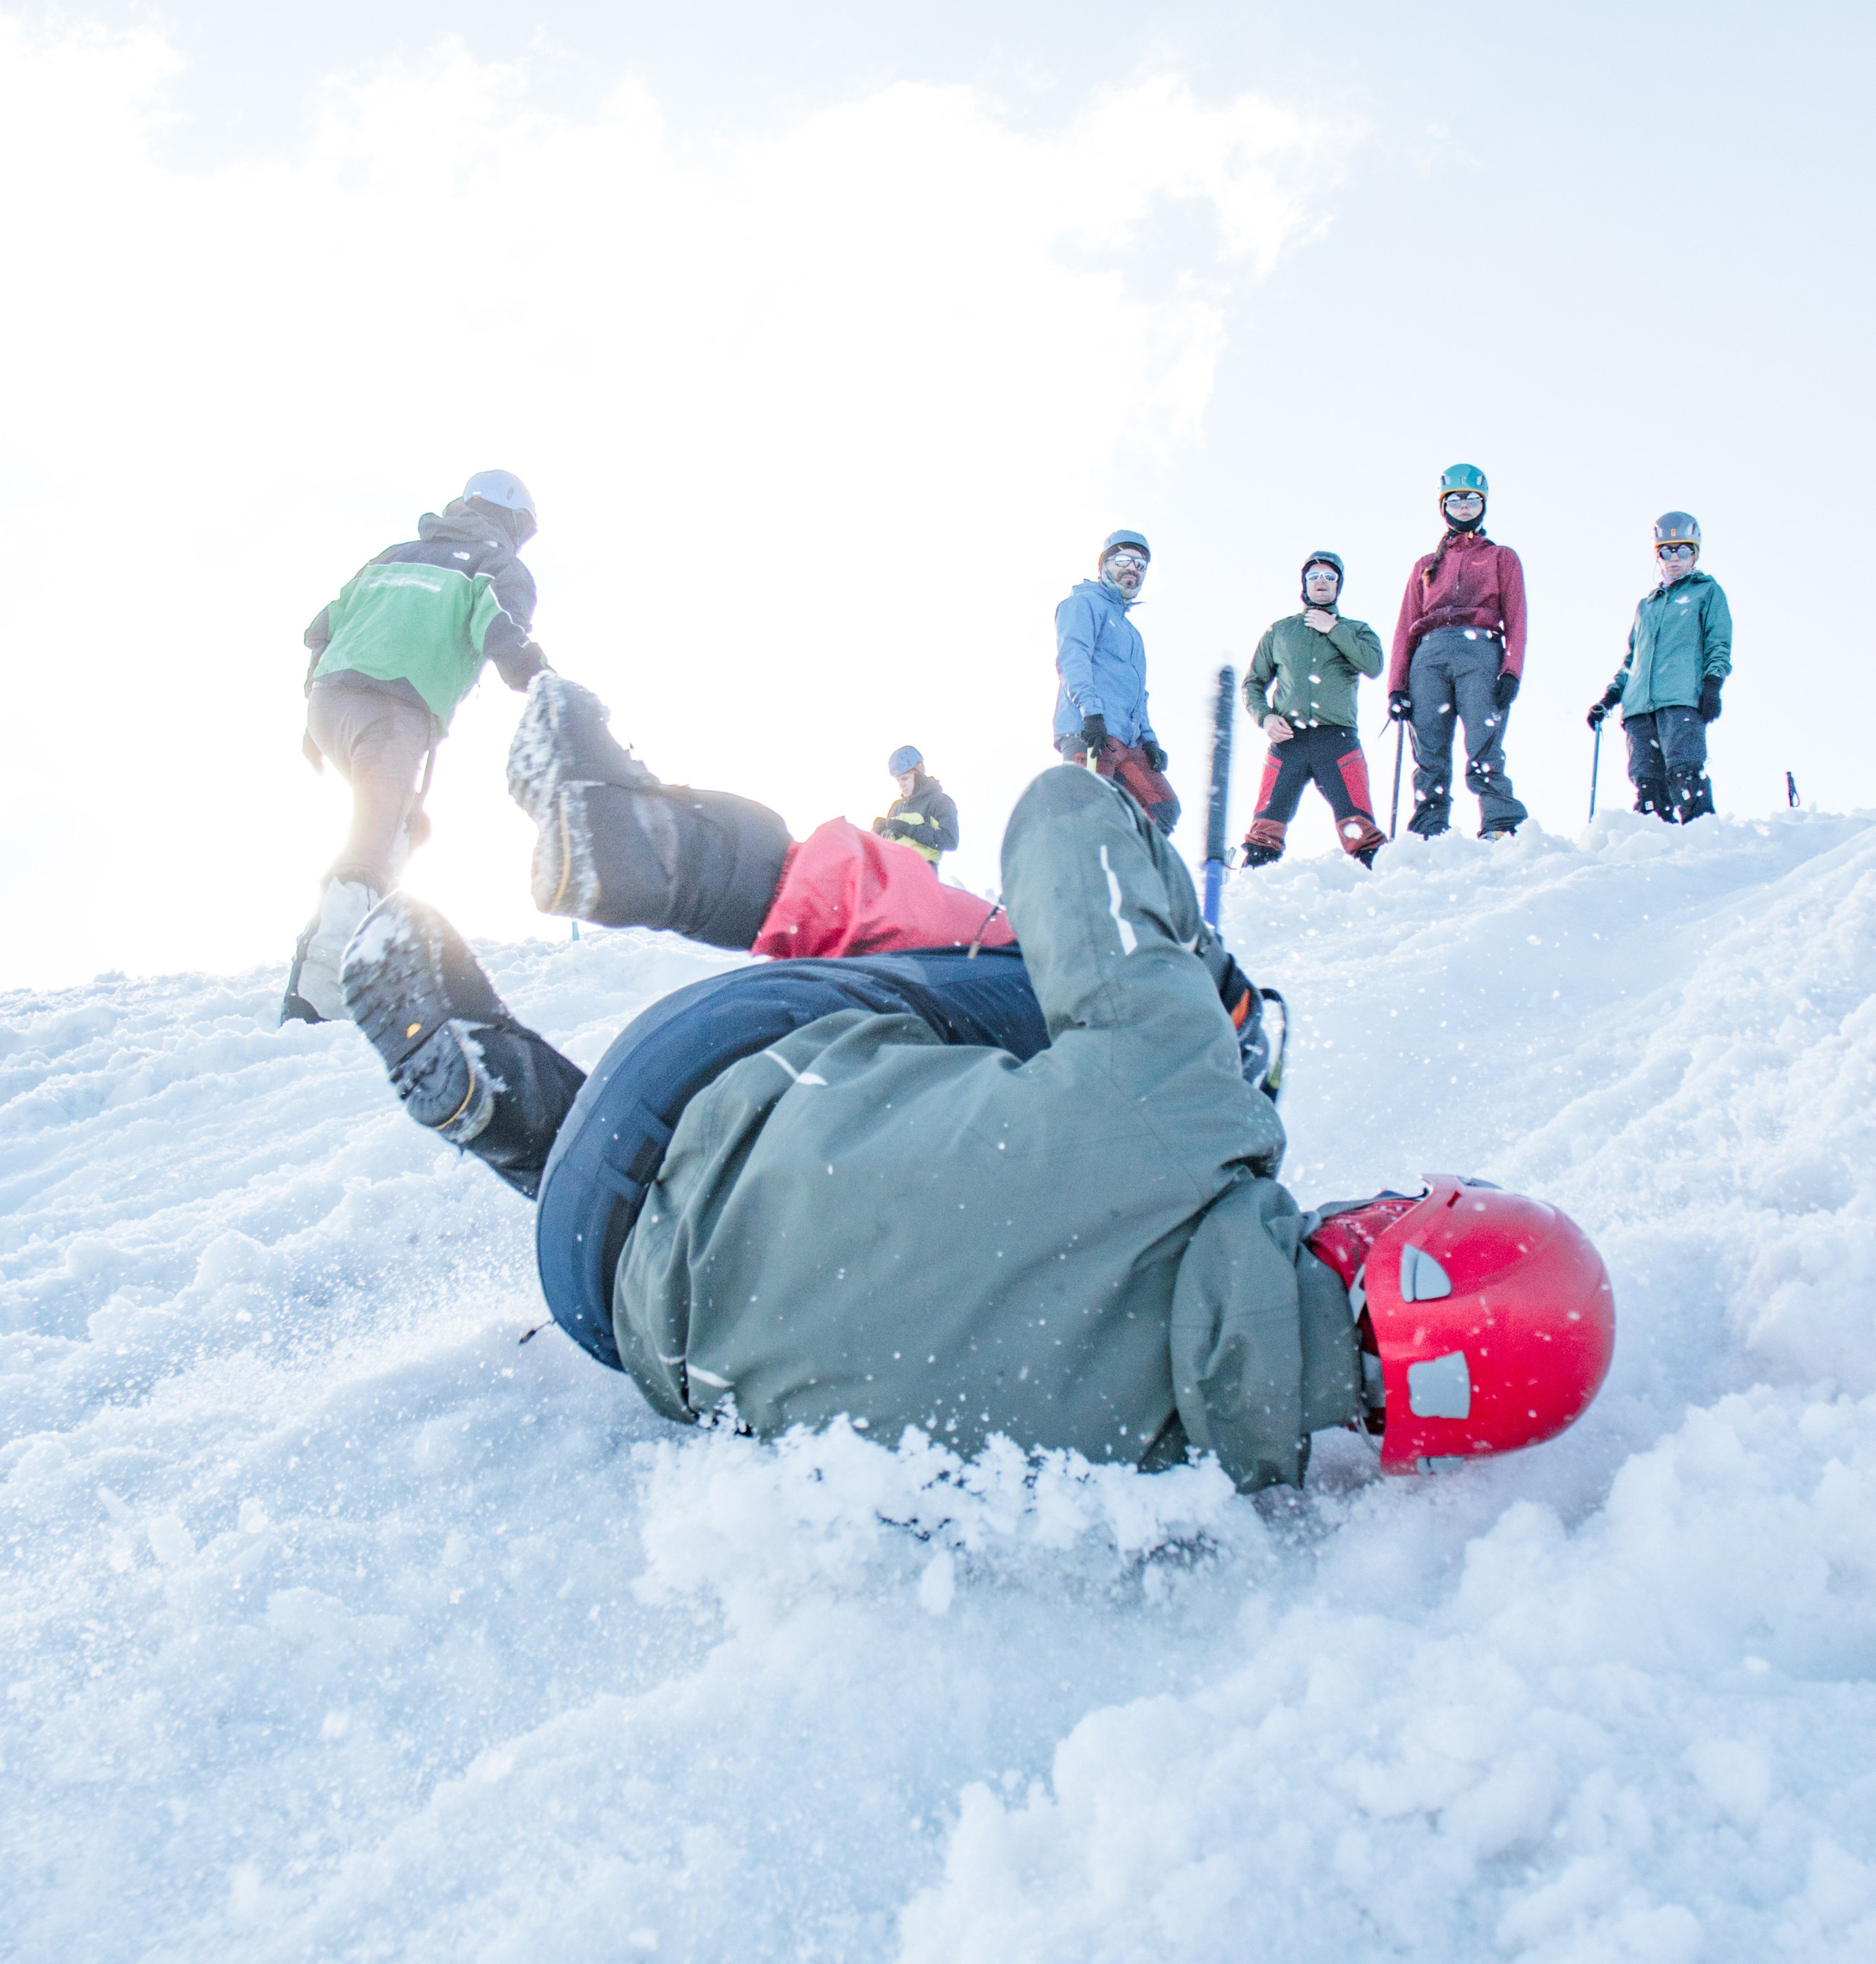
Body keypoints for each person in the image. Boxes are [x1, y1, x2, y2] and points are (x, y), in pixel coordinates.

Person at [336, 690, 1615, 1492]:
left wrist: (1201, 988)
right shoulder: (1166, 1469)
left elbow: (1063, 814)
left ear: (1394, 1238)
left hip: (699, 1074)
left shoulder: (1190, 1106)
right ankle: (509, 1110)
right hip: (602, 1292)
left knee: (1024, 972)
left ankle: (662, 854)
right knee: (858, 1258)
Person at [281, 470, 550, 1025]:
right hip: (393, 713)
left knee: (406, 827)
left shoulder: (392, 556)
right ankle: (317, 998)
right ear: (514, 523)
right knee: (372, 847)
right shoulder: (493, 564)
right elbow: (501, 628)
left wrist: (313, 723)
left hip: (330, 702)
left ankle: (365, 951)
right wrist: (543, 682)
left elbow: (323, 629)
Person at [1387, 465, 1529, 840]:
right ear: (1443, 506)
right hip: (1429, 657)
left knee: (1483, 743)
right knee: (1429, 749)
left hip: (1479, 652)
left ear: (1483, 504)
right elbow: (1405, 628)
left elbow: (1517, 618)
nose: (1463, 506)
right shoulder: (1426, 566)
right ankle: (1429, 827)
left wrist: (1512, 671)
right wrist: (1397, 687)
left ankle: (1499, 822)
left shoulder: (1501, 557)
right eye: (1454, 500)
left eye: (1471, 499)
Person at [1239, 552, 1386, 868]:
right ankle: (1252, 883)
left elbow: (1373, 665)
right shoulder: (1280, 631)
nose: (1322, 582)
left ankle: (1377, 882)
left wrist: (1334, 629)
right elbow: (1252, 684)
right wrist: (1265, 717)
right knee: (1265, 828)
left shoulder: (1357, 630)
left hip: (1337, 741)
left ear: (1339, 585)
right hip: (1287, 742)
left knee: (1359, 827)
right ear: (1304, 584)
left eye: (1330, 577)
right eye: (1314, 576)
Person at [1587, 512, 1732, 824]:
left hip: (1680, 699)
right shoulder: (1647, 605)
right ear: (1658, 556)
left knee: (1685, 772)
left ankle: (1701, 833)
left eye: (1683, 550)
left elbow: (1718, 644)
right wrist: (1610, 698)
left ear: (1695, 554)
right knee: (1648, 784)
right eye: (1667, 551)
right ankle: (1655, 840)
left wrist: (1712, 684)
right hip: (1639, 708)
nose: (1675, 558)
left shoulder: (1706, 592)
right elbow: (1632, 660)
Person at [1052, 530, 1179, 834]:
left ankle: (1131, 864)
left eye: (1140, 565)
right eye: (1123, 560)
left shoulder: (1132, 633)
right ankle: (1078, 862)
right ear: (1104, 565)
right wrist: (1091, 713)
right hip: (1091, 733)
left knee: (1163, 808)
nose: (1132, 569)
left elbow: (1138, 694)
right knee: (1091, 817)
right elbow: (1073, 660)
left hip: (1128, 741)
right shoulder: (1083, 604)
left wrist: (1149, 739)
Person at [874, 746, 960, 865]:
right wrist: (878, 833)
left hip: (921, 869)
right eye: (898, 780)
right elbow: (889, 843)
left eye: (905, 779)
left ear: (919, 769)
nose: (901, 785)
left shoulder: (939, 802)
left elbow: (949, 840)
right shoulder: (897, 807)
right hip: (894, 869)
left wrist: (908, 828)